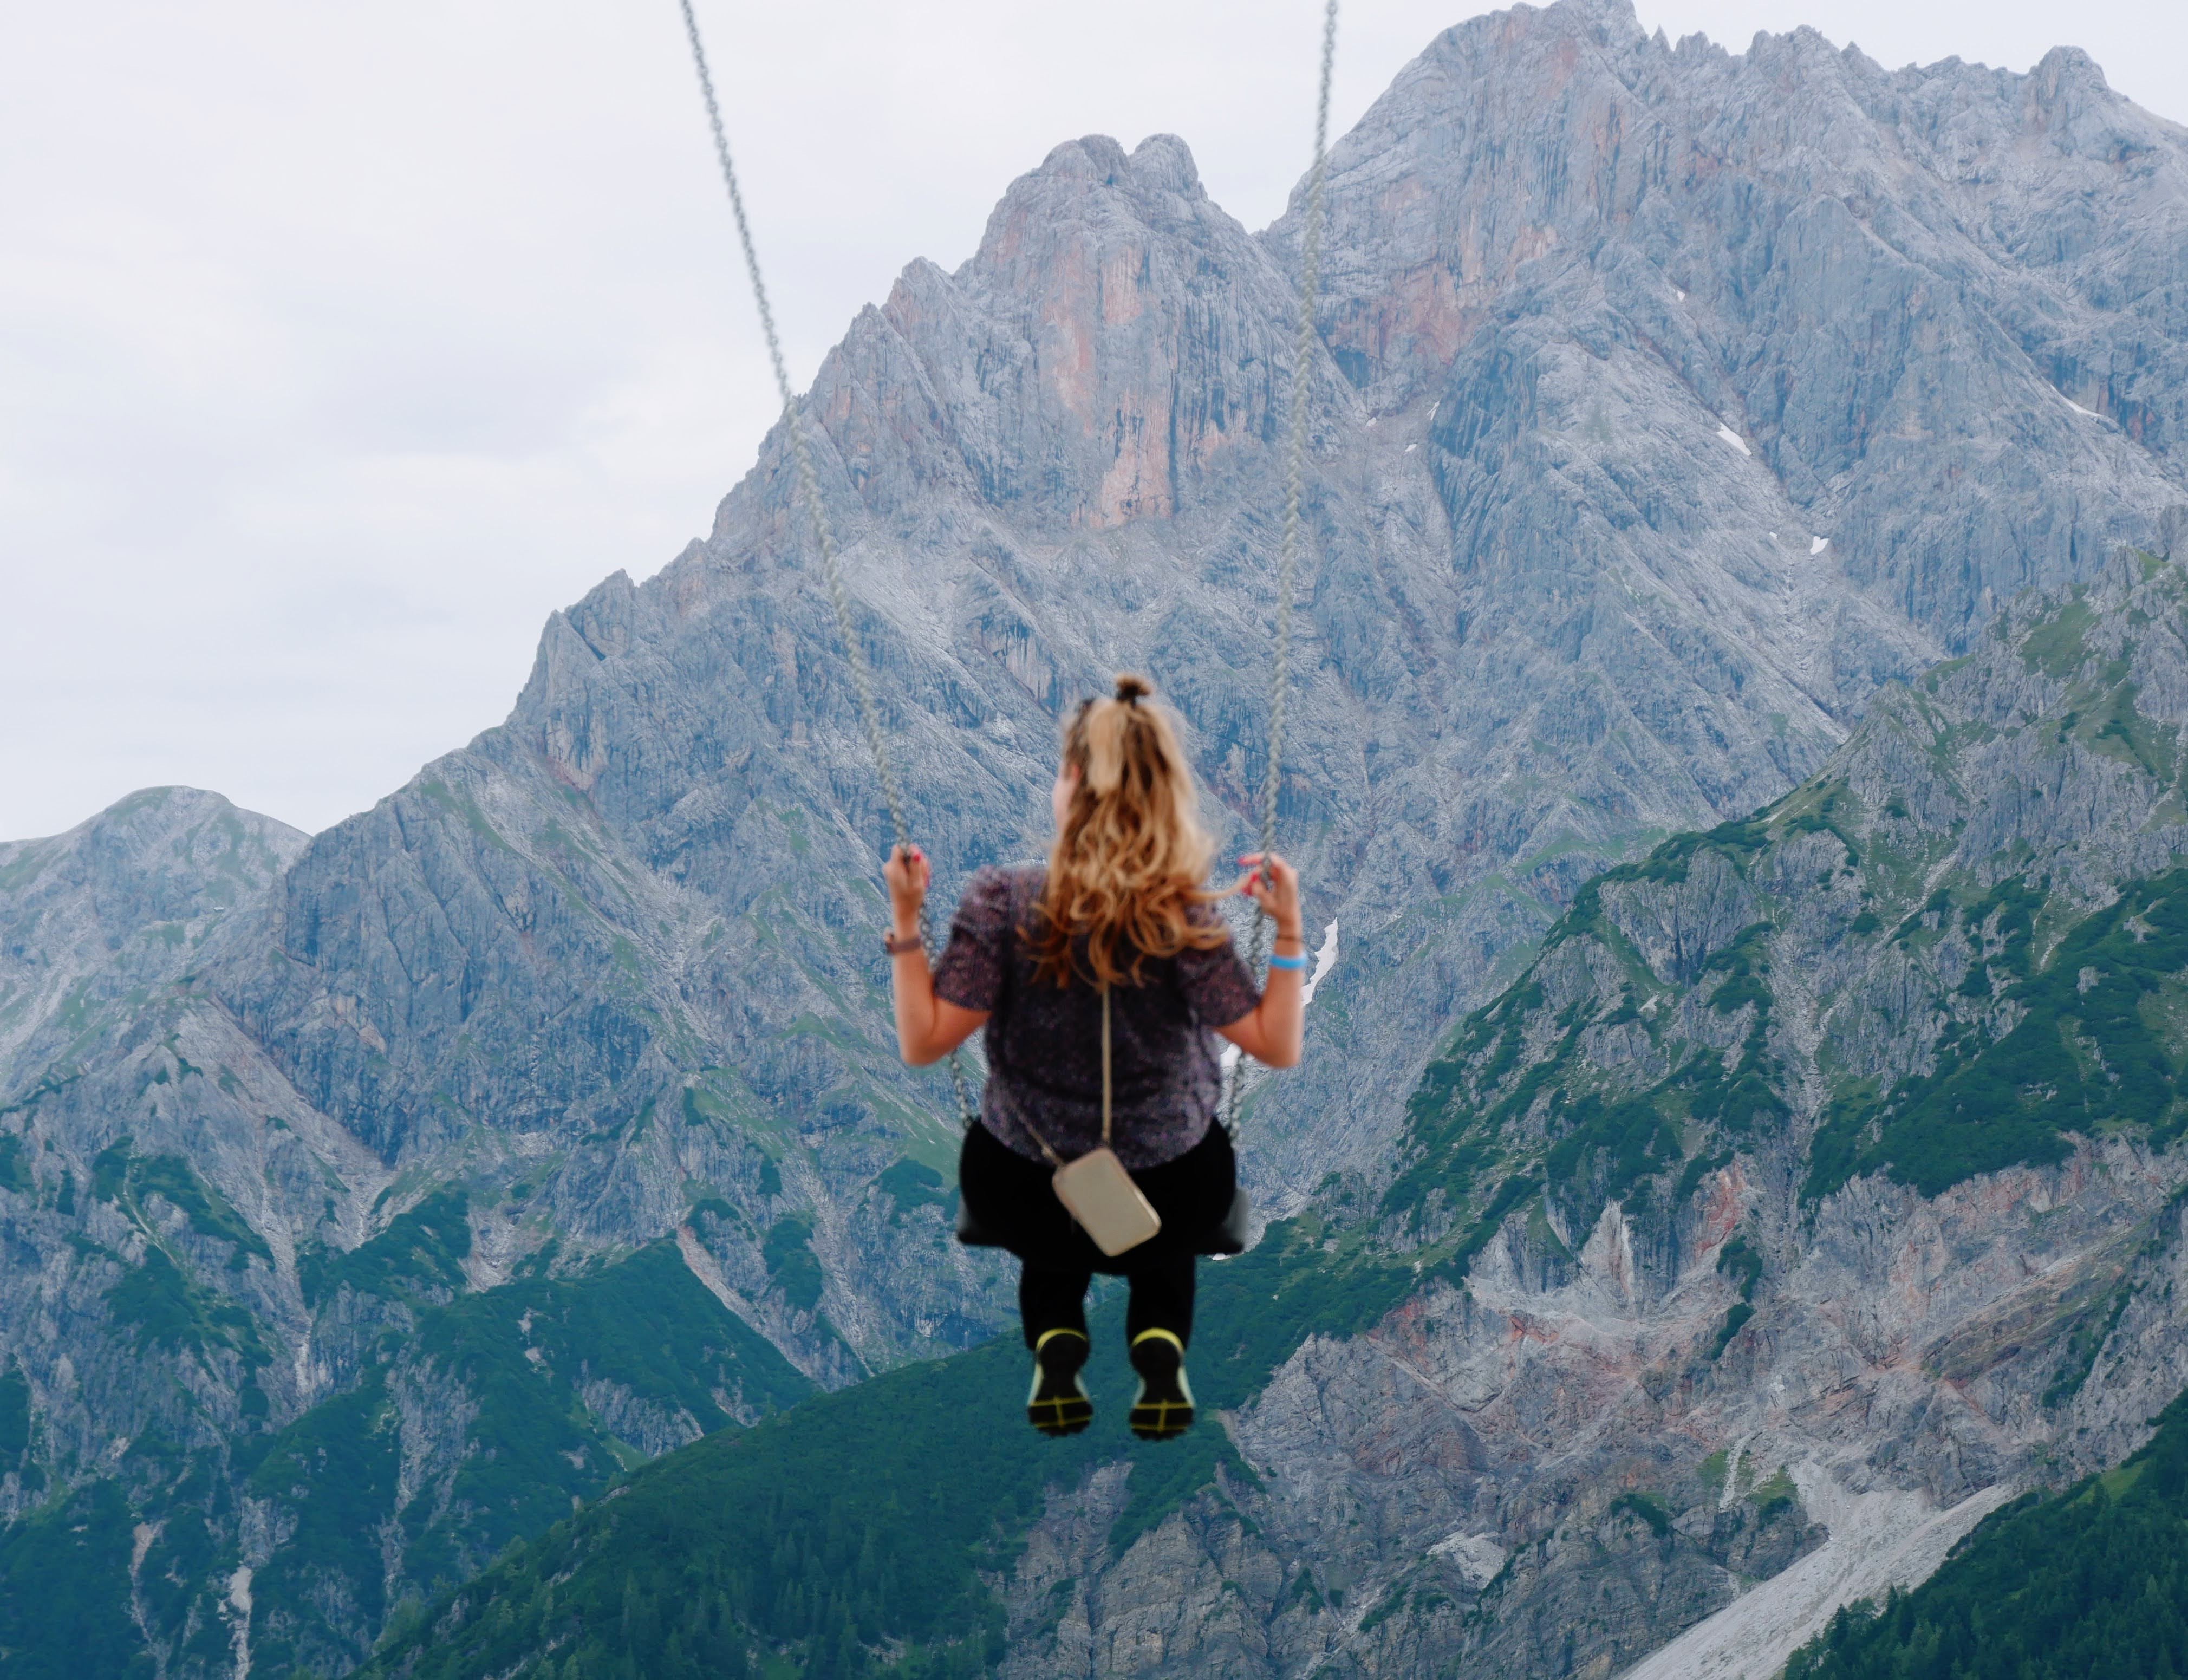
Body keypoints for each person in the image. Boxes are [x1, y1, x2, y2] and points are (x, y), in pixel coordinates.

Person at [882, 674, 1305, 1440]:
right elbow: (1276, 1045)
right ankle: (1161, 1343)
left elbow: (924, 1042)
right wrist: (1287, 930)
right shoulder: (1185, 916)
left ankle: (1055, 1339)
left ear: (1073, 781)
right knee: (1170, 1203)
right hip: (1177, 1196)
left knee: (1050, 1196)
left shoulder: (1001, 902)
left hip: (1023, 1192)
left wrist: (908, 924)